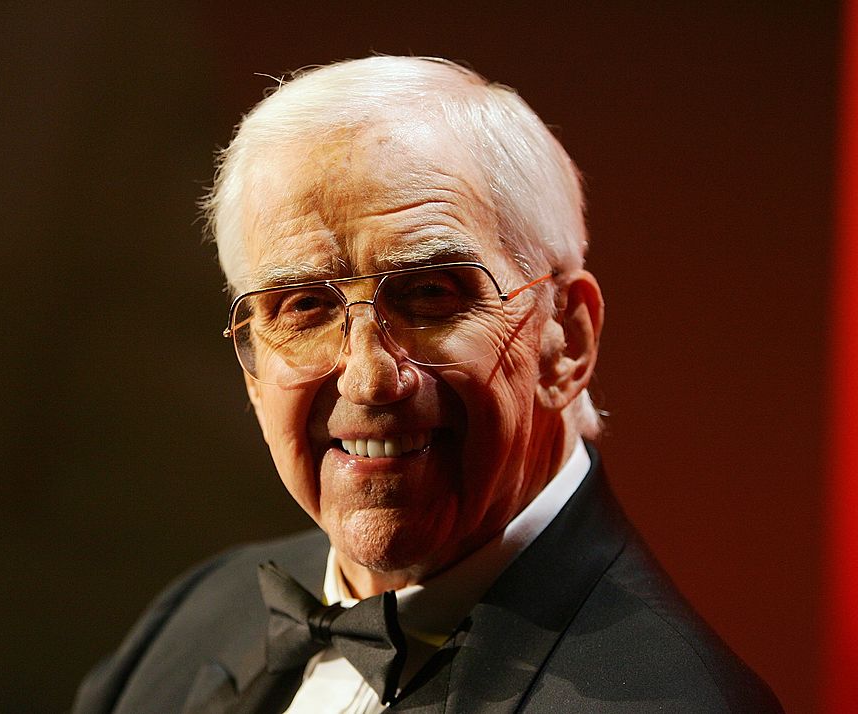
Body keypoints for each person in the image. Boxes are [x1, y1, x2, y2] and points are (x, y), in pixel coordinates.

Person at [72, 56, 782, 713]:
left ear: (565, 338)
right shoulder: (187, 622)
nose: (368, 377)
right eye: (304, 306)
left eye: (431, 295)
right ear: (253, 365)